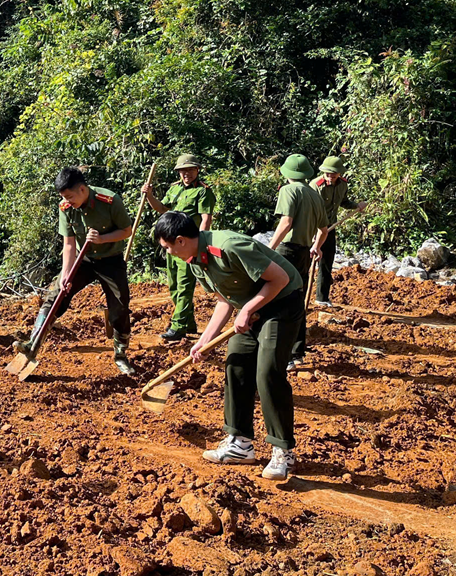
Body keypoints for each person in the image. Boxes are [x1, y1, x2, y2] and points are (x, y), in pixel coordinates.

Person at [153, 210, 303, 481]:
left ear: (180, 240)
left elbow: (279, 279)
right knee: (236, 364)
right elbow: (224, 300)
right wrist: (204, 340)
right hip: (251, 308)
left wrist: (246, 309)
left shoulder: (230, 246)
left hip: (281, 302)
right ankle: (240, 443)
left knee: (267, 372)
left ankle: (283, 452)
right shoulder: (195, 259)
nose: (167, 253)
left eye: (167, 247)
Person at [18, 166, 136, 375]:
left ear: (82, 189)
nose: (67, 201)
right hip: (84, 259)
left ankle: (121, 355)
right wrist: (66, 274)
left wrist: (102, 238)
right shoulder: (66, 207)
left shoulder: (109, 201)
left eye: (70, 196)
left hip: (111, 259)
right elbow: (69, 244)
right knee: (56, 295)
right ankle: (33, 343)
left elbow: (126, 231)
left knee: (119, 307)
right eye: (64, 197)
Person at [141, 153, 216, 342]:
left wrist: (200, 244)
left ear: (197, 170)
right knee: (174, 285)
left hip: (188, 246)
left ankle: (178, 326)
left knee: (185, 286)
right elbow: (162, 208)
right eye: (183, 170)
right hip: (171, 245)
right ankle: (187, 322)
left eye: (190, 169)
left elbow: (206, 219)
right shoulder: (175, 189)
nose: (186, 174)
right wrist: (149, 196)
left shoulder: (203, 191)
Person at [268, 154, 329, 369]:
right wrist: (317, 247)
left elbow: (286, 222)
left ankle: (280, 352)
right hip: (304, 252)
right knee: (297, 300)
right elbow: (323, 230)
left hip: (287, 251)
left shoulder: (288, 190)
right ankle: (296, 352)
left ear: (287, 174)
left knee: (277, 299)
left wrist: (270, 249)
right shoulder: (314, 194)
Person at [311, 156, 366, 307]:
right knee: (306, 262)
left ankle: (321, 298)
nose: (330, 177)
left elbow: (344, 202)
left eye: (333, 174)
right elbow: (310, 210)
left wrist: (357, 206)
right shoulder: (316, 186)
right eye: (327, 174)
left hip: (330, 228)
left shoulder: (342, 185)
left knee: (326, 262)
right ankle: (298, 297)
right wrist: (315, 235)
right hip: (314, 228)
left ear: (340, 174)